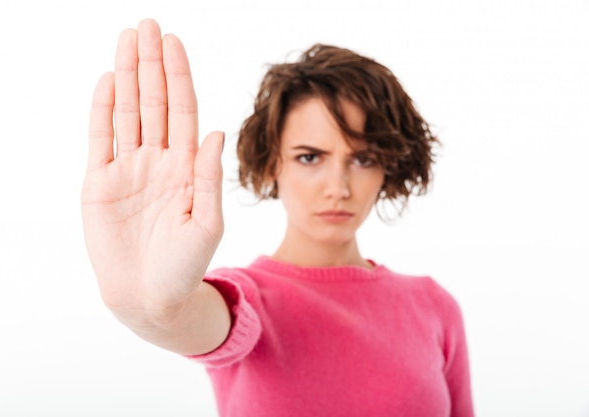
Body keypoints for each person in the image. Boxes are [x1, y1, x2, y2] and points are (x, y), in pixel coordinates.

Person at [81, 18, 474, 417]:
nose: (337, 186)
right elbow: (191, 318)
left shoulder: (434, 307)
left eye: (363, 159)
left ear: (387, 168)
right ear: (272, 164)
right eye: (309, 157)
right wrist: (156, 307)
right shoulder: (246, 302)